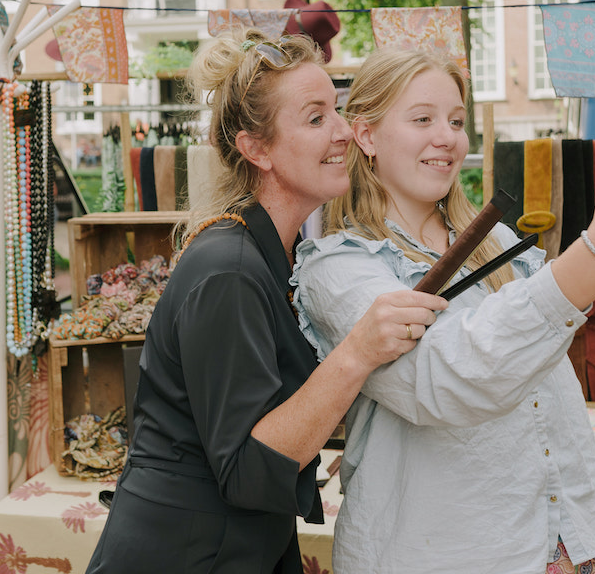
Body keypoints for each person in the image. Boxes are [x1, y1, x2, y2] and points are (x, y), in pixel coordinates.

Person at [292, 48, 595, 574]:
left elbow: (551, 397)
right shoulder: (337, 268)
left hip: (572, 544)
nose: (447, 137)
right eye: (422, 119)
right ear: (366, 135)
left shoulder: (495, 242)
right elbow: (448, 379)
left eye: (457, 121)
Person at [85, 30, 447, 574]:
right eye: (316, 118)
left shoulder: (275, 254)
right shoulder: (228, 272)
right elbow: (249, 468)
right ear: (257, 149)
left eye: (337, 111)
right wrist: (357, 352)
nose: (344, 131)